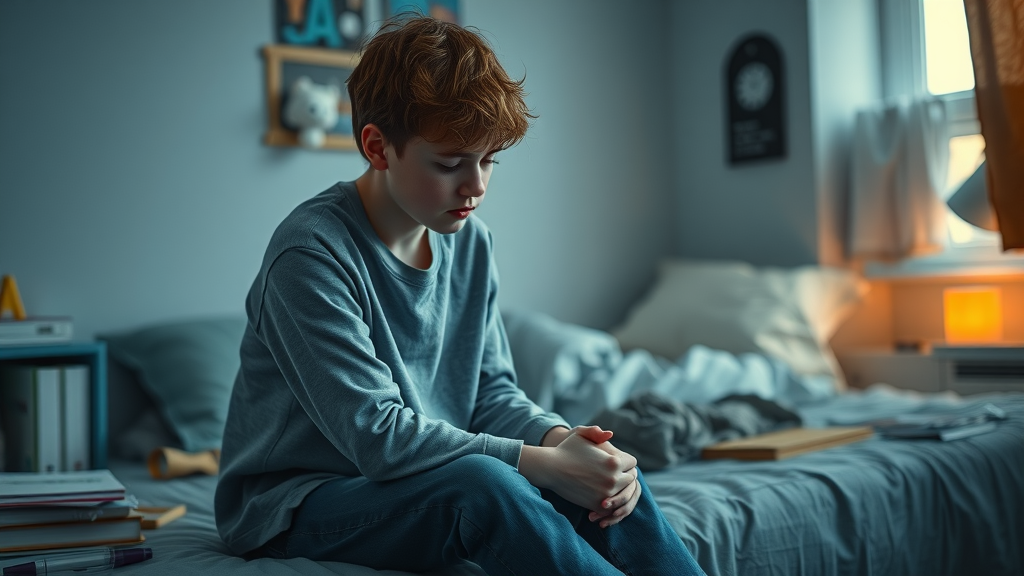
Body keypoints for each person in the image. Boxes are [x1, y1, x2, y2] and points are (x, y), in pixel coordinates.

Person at [214, 15, 707, 576]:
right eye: (450, 164)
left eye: (489, 159)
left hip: (420, 475)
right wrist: (541, 463)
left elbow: (490, 393)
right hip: (294, 504)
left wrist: (565, 443)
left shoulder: (470, 241)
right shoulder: (309, 254)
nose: (476, 186)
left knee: (600, 468)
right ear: (377, 147)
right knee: (486, 484)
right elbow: (378, 436)